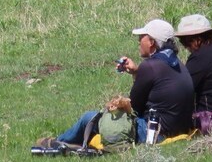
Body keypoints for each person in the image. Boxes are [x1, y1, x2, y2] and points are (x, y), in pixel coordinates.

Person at [38, 19, 195, 148]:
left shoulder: (150, 66)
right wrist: (136, 72)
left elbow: (133, 109)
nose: (139, 41)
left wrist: (113, 106)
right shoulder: (177, 64)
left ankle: (57, 143)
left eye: (142, 37)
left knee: (90, 118)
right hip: (177, 129)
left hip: (154, 132)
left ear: (152, 42)